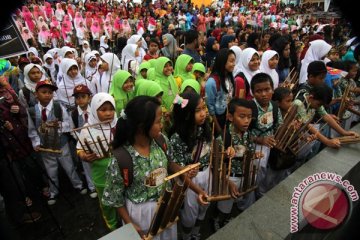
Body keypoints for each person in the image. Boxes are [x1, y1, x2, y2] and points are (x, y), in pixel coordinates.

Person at [102, 96, 208, 239]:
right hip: (141, 215)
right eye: (158, 122)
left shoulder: (161, 141)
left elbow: (169, 165)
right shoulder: (121, 159)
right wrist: (129, 223)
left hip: (166, 207)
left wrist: (198, 190)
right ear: (141, 127)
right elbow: (116, 198)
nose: (162, 125)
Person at [28, 80, 85, 205]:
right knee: (51, 170)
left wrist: (58, 126)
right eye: (44, 92)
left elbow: (68, 124)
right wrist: (36, 143)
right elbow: (32, 130)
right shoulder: (32, 111)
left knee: (68, 166)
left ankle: (78, 184)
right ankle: (54, 191)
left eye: (50, 92)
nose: (47, 95)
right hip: (45, 147)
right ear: (36, 94)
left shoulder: (58, 107)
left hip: (61, 143)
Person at [76, 92, 119, 230]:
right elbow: (79, 149)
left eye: (111, 109)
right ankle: (111, 224)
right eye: (103, 110)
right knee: (107, 200)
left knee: (122, 195)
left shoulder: (119, 124)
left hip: (120, 168)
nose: (108, 113)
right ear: (94, 110)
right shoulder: (87, 130)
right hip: (101, 172)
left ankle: (125, 218)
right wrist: (84, 156)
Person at [214, 98, 255, 230]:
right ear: (230, 117)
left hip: (242, 175)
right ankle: (218, 221)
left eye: (249, 117)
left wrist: (253, 155)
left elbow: (249, 151)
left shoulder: (248, 134)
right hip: (229, 178)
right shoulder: (224, 138)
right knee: (224, 205)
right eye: (242, 116)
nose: (246, 121)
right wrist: (227, 182)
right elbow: (216, 166)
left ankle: (225, 219)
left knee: (234, 201)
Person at [249, 73, 283, 199]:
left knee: (270, 170)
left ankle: (262, 191)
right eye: (259, 91)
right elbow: (242, 134)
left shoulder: (274, 106)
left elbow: (279, 124)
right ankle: (252, 193)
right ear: (252, 92)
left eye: (267, 90)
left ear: (272, 90)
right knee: (257, 170)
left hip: (271, 143)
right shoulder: (250, 108)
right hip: (256, 146)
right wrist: (260, 140)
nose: (263, 94)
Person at [71, 84, 97, 199]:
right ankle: (92, 187)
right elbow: (72, 130)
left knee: (98, 161)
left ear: (89, 97)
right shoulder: (74, 114)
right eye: (77, 97)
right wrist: (79, 139)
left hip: (96, 141)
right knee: (86, 165)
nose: (80, 100)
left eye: (83, 96)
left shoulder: (95, 110)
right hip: (83, 144)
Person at [205, 48, 235, 136]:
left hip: (227, 115)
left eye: (234, 61)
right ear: (223, 61)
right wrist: (218, 128)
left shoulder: (229, 77)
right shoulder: (212, 82)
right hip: (218, 119)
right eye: (231, 61)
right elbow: (210, 107)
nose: (234, 64)